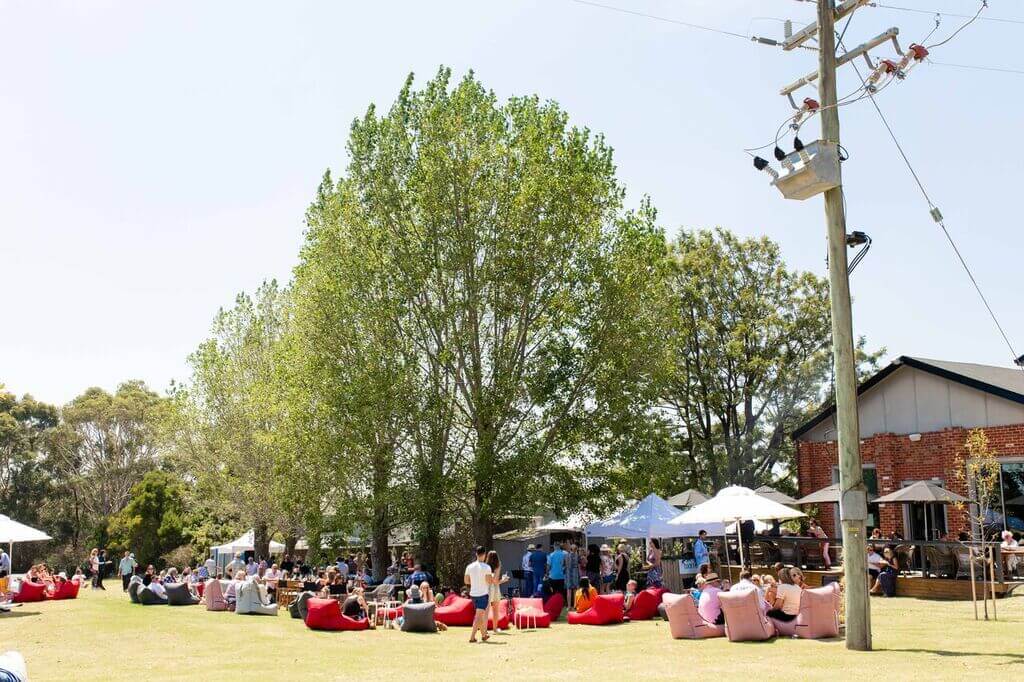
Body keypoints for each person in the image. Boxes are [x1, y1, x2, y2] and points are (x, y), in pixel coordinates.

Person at [464, 546, 491, 643]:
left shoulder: (469, 566)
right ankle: (472, 637)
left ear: (476, 554)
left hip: (473, 594)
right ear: (484, 554)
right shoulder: (487, 567)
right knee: (479, 617)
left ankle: (484, 635)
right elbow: (489, 581)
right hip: (483, 594)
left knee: (480, 615)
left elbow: (466, 581)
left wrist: (475, 582)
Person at [485, 550, 510, 633]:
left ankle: (484, 629)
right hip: (495, 589)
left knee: (486, 610)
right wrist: (504, 580)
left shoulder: (485, 566)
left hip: (486, 588)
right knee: (495, 610)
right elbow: (495, 582)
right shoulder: (497, 565)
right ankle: (495, 629)